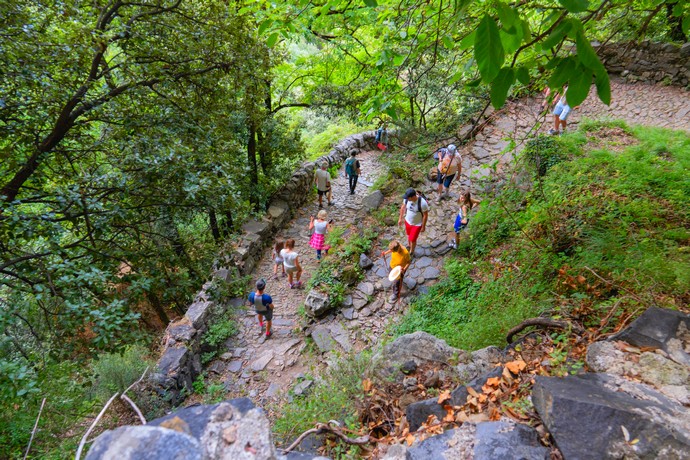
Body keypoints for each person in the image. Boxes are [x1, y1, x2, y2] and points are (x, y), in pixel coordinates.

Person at [398, 188, 429, 256]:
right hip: (408, 221)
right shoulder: (407, 199)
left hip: (417, 224)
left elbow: (425, 215)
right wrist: (400, 218)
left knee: (413, 239)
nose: (406, 199)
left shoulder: (422, 203)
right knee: (409, 236)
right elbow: (403, 207)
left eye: (408, 198)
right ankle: (409, 246)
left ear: (413, 197)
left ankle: (412, 251)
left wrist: (423, 226)